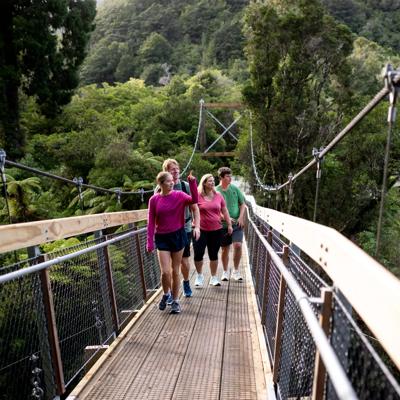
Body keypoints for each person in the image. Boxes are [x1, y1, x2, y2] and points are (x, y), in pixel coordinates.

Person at [146, 171, 198, 314]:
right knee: (165, 272)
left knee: (175, 271)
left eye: (172, 181)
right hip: (162, 237)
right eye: (168, 181)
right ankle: (166, 294)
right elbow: (150, 223)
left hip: (178, 235)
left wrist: (192, 183)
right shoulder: (154, 200)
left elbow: (194, 200)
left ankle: (175, 301)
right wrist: (149, 242)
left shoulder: (179, 195)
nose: (172, 183)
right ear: (161, 184)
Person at [162, 159, 200, 295]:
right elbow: (155, 209)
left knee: (183, 261)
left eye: (177, 168)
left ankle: (186, 282)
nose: (176, 171)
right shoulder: (159, 189)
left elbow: (195, 207)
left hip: (185, 227)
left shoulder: (185, 186)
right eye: (172, 169)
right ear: (166, 172)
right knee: (170, 266)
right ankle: (172, 293)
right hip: (167, 230)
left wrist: (197, 226)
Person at [193, 174, 232, 287]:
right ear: (204, 183)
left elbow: (225, 211)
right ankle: (199, 276)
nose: (212, 182)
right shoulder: (197, 195)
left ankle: (213, 277)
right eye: (209, 181)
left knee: (213, 254)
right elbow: (191, 207)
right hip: (200, 229)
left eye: (213, 181)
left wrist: (229, 225)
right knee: (198, 254)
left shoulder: (218, 195)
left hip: (216, 229)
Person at [216, 167, 246, 281]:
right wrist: (225, 218)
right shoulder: (216, 190)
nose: (230, 178)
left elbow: (242, 204)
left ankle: (236, 271)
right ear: (222, 177)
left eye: (230, 176)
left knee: (238, 245)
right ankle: (225, 271)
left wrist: (241, 217)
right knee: (225, 249)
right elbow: (214, 208)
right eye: (228, 176)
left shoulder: (235, 189)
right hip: (223, 225)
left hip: (236, 224)